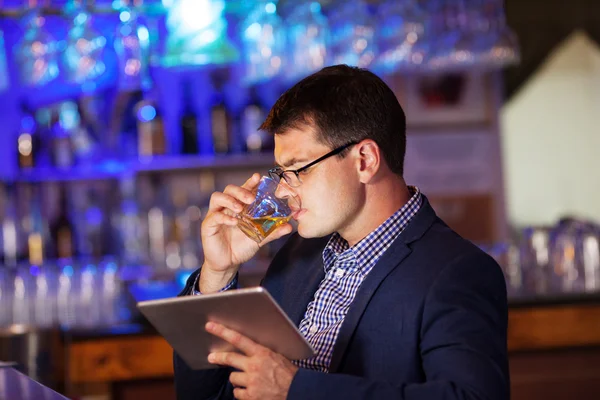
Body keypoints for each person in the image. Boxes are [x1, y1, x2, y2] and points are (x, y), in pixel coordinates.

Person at [173, 65, 509, 400]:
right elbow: (207, 396)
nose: (282, 192)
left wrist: (295, 390)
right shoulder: (297, 255)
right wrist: (219, 272)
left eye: (298, 170)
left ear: (364, 160)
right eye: (282, 172)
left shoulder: (457, 272)